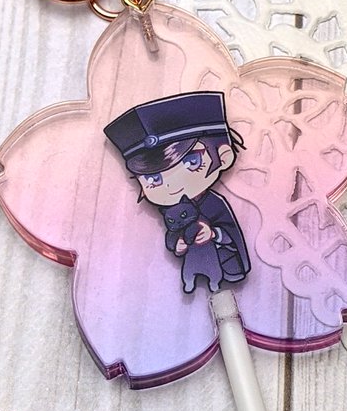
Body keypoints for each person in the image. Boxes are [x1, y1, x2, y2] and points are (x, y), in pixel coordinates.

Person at [104, 91, 251, 292]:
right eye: (153, 179)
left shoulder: (215, 203)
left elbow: (231, 232)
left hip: (223, 263)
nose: (172, 186)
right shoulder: (168, 211)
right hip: (192, 263)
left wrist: (214, 233)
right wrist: (177, 244)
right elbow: (172, 234)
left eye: (192, 162)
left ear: (223, 156)